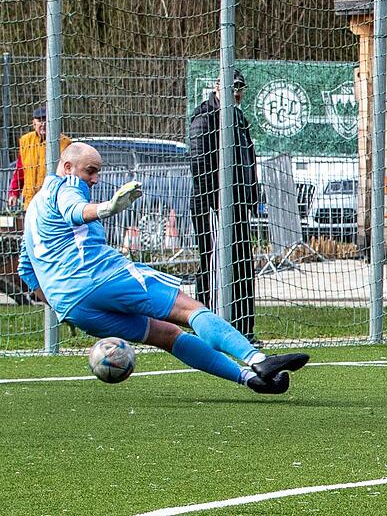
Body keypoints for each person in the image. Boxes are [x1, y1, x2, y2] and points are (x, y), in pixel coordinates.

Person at [17, 142, 308, 394]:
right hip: (101, 276)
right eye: (90, 171)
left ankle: (249, 380)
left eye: (97, 172)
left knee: (166, 336)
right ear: (68, 166)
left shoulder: (33, 210)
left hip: (73, 307)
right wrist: (108, 208)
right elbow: (74, 210)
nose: (94, 178)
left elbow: (26, 271)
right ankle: (257, 359)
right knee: (189, 309)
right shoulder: (66, 186)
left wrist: (58, 303)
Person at [189, 69, 258, 341]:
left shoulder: (239, 117)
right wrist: (215, 203)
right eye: (233, 86)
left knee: (242, 263)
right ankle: (206, 326)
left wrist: (251, 195)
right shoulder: (204, 116)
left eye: (241, 87)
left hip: (237, 204)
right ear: (219, 87)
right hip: (212, 205)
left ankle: (243, 329)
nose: (238, 91)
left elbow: (248, 159)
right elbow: (199, 163)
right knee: (212, 262)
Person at [8, 105, 72, 210]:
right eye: (39, 120)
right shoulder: (25, 141)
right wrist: (14, 193)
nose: (43, 124)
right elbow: (20, 170)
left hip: (54, 202)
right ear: (33, 123)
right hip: (30, 202)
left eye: (46, 120)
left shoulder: (65, 143)